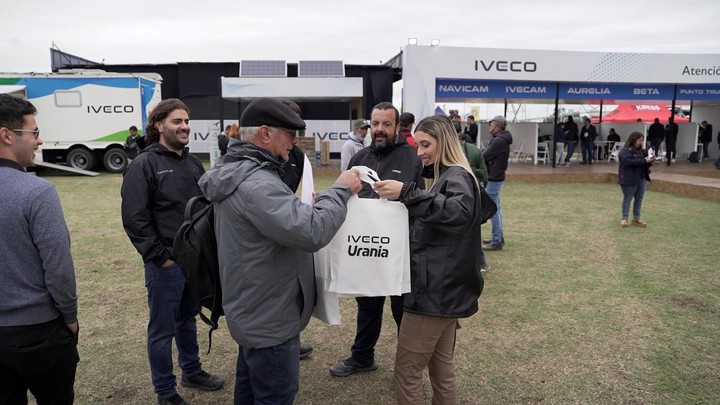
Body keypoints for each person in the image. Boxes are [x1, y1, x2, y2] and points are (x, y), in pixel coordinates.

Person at [198, 98, 362, 404]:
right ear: (264, 133)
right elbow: (312, 231)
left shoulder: (238, 172)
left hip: (254, 310)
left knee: (249, 392)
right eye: (289, 132)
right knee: (275, 396)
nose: (295, 141)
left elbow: (283, 222)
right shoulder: (258, 184)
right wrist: (340, 190)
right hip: (270, 320)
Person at [372, 115, 484, 404]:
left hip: (433, 294)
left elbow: (457, 213)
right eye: (417, 144)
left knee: (407, 370)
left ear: (444, 142)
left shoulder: (456, 176)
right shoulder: (449, 176)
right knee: (441, 368)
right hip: (444, 291)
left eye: (426, 144)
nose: (420, 151)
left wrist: (408, 193)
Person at [121, 99, 224, 405]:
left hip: (195, 263)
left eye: (186, 121)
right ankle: (165, 392)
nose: (184, 127)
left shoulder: (193, 164)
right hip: (166, 265)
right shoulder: (143, 164)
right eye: (177, 121)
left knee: (187, 320)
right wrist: (160, 257)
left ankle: (191, 371)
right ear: (158, 125)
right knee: (162, 330)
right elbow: (135, 218)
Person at [330, 102, 424, 378]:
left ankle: (407, 368)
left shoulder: (413, 157)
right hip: (367, 247)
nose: (379, 130)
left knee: (402, 310)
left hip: (401, 249)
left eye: (386, 124)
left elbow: (423, 199)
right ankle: (362, 357)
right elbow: (345, 192)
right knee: (367, 304)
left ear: (397, 127)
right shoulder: (359, 157)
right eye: (375, 124)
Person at [0, 94, 79, 405]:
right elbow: (58, 267)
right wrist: (70, 316)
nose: (39, 140)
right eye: (34, 132)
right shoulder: (37, 192)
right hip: (40, 331)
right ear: (7, 135)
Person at [482, 115, 512, 251]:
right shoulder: (501, 139)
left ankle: (496, 241)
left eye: (491, 123)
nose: (489, 126)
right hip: (496, 176)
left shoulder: (499, 141)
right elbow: (487, 157)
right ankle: (498, 237)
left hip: (494, 177)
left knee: (492, 211)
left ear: (497, 125)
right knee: (496, 210)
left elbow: (484, 156)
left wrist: (489, 160)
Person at [618, 131, 655, 228]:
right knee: (628, 197)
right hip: (629, 179)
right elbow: (628, 161)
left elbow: (642, 162)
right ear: (633, 140)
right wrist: (644, 160)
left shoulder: (640, 151)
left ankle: (636, 218)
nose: (641, 142)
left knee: (639, 198)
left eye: (642, 140)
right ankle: (624, 218)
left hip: (641, 178)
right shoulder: (625, 151)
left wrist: (650, 160)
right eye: (639, 140)